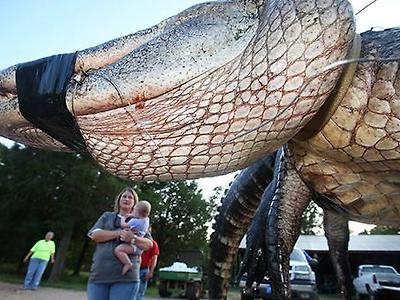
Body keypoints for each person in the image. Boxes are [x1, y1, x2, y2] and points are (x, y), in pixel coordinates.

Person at [87, 187, 153, 300]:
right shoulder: (107, 216)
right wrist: (119, 233)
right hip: (99, 275)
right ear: (119, 200)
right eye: (124, 196)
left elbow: (148, 245)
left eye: (130, 197)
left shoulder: (141, 221)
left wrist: (133, 239)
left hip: (126, 279)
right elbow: (94, 235)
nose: (127, 199)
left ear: (135, 204)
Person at [114, 200, 151, 275]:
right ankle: (138, 267)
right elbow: (140, 216)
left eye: (134, 210)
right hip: (139, 246)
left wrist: (123, 218)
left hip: (132, 245)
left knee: (118, 250)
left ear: (137, 212)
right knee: (138, 257)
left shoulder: (134, 221)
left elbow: (123, 225)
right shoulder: (146, 220)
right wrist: (133, 215)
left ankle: (127, 263)